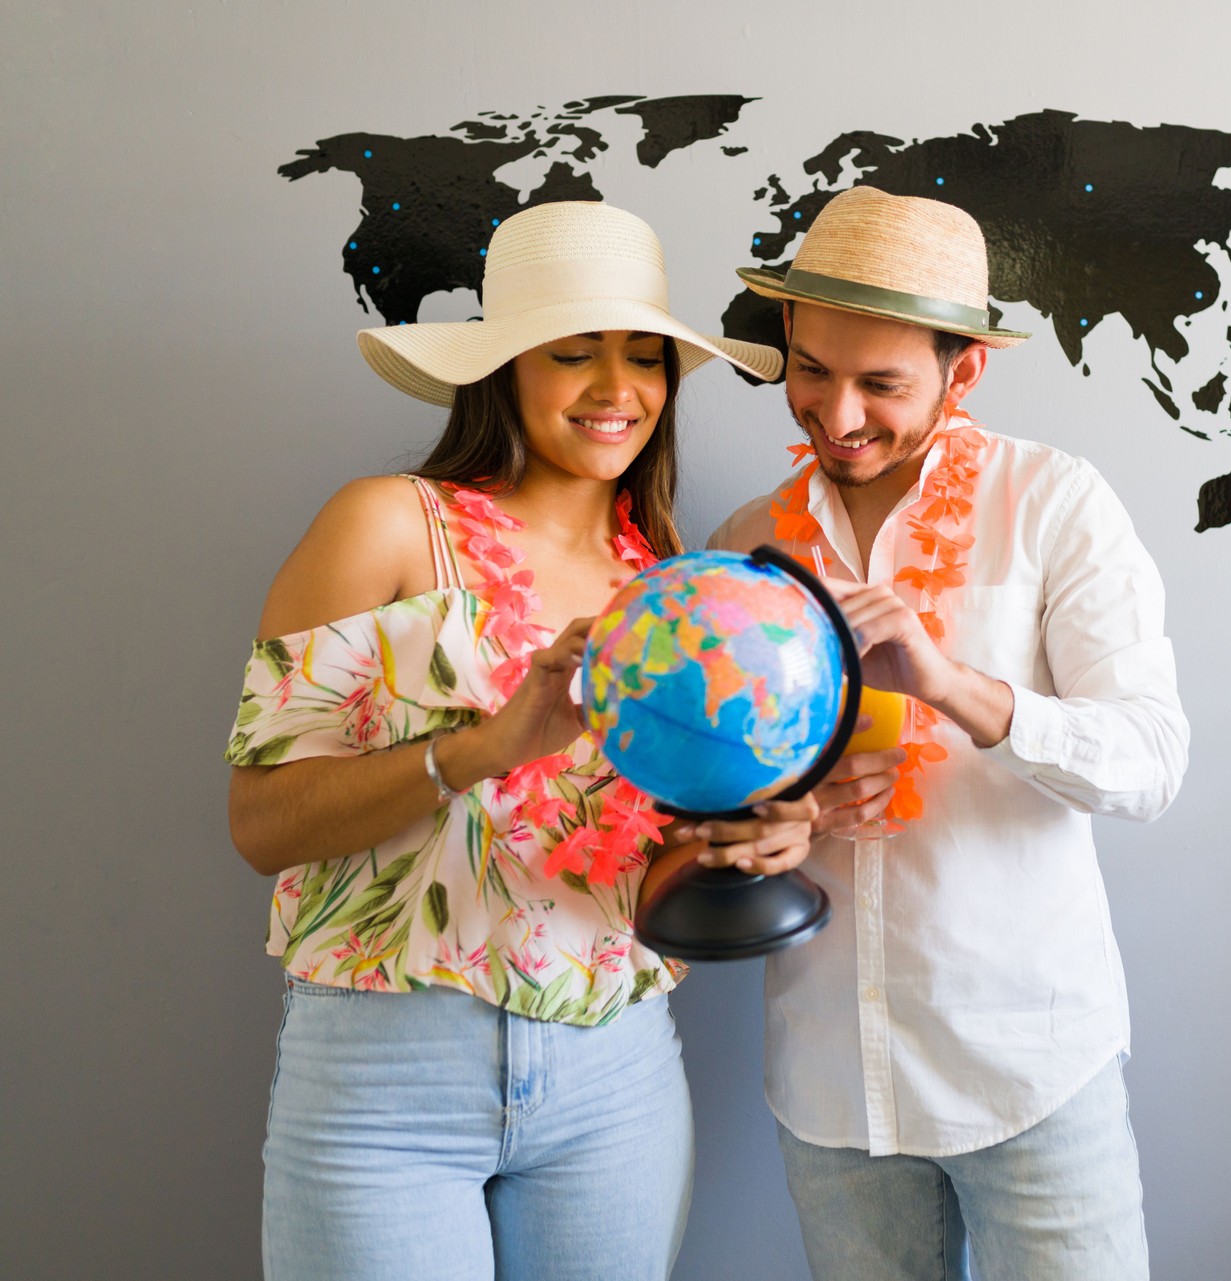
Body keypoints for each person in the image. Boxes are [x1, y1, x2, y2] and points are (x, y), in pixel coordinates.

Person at [225, 200, 815, 1281]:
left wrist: (750, 838)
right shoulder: (387, 525)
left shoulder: (673, 586)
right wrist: (487, 746)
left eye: (645, 357)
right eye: (572, 353)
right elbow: (262, 825)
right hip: (386, 1078)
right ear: (503, 369)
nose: (616, 389)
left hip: (616, 1077)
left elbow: (630, 864)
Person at [709, 186, 1191, 1281]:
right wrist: (775, 819)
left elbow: (1153, 763)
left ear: (963, 371)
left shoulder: (1056, 504)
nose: (836, 417)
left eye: (881, 384)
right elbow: (721, 798)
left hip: (1028, 1067)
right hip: (831, 1083)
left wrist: (955, 686)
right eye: (812, 372)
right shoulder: (746, 543)